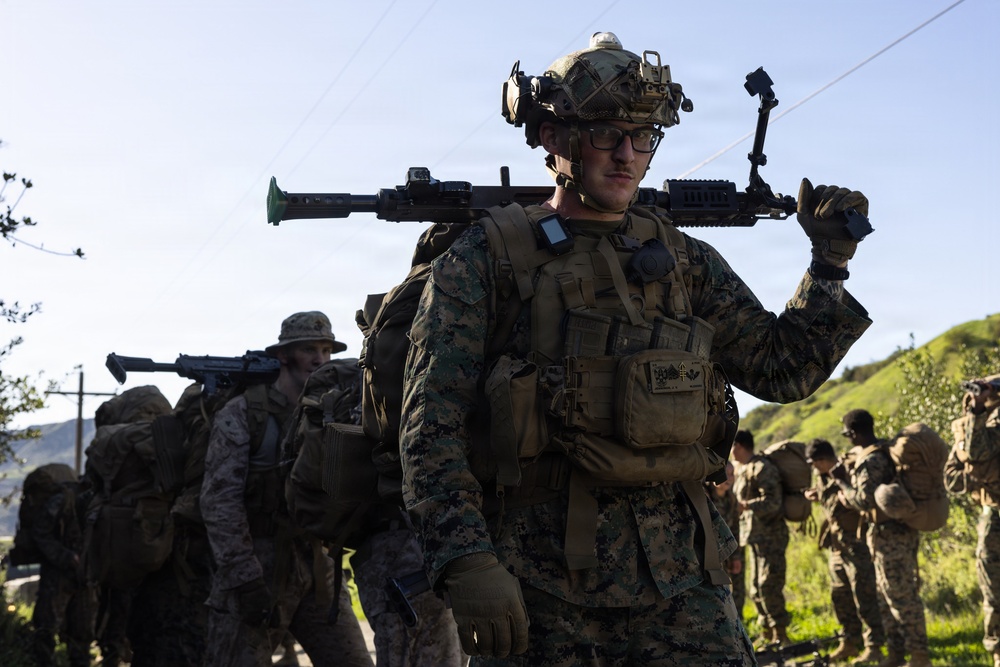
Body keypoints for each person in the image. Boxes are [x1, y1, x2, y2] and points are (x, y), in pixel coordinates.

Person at [399, 32, 872, 665]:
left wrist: (830, 264)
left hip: (685, 583)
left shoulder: (684, 259)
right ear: (553, 138)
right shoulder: (486, 261)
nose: (627, 155)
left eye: (643, 137)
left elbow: (780, 368)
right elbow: (431, 427)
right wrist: (466, 560)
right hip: (543, 592)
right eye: (606, 135)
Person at [200, 311, 372, 667]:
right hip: (257, 564)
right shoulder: (242, 413)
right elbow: (219, 502)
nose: (320, 359)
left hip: (318, 565)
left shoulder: (330, 414)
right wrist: (243, 578)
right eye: (309, 349)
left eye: (326, 350)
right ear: (283, 356)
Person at [834, 409, 930, 667]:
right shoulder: (883, 450)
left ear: (854, 433)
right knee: (886, 596)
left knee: (901, 596)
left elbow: (863, 500)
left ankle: (920, 656)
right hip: (888, 534)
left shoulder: (872, 460)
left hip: (891, 536)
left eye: (848, 435)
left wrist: (843, 486)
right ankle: (897, 654)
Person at [804, 438, 884, 663]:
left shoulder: (846, 473)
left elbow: (859, 500)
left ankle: (874, 645)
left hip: (857, 547)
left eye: (815, 462)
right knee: (840, 596)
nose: (813, 467)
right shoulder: (822, 478)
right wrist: (817, 495)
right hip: (837, 548)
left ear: (822, 459)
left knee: (864, 596)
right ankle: (849, 642)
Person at [24, 464, 93, 667]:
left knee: (82, 633)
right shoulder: (63, 500)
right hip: (58, 576)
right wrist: (65, 556)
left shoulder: (97, 501)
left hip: (84, 577)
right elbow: (41, 533)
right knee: (46, 629)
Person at [955, 374, 1000, 667]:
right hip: (994, 513)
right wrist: (977, 408)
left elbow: (978, 451)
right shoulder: (978, 418)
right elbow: (968, 456)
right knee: (993, 588)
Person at [731, 429, 790, 646]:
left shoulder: (762, 468)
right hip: (755, 537)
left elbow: (774, 502)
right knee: (756, 586)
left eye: (732, 447)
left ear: (740, 446)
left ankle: (781, 634)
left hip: (771, 537)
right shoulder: (744, 469)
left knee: (769, 585)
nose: (731, 452)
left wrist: (746, 505)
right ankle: (767, 632)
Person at [708, 461, 746, 621]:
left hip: (728, 552)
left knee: (737, 589)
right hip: (710, 557)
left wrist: (736, 556)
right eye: (726, 474)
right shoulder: (704, 498)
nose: (729, 478)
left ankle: (738, 624)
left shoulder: (731, 499)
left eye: (732, 474)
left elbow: (735, 529)